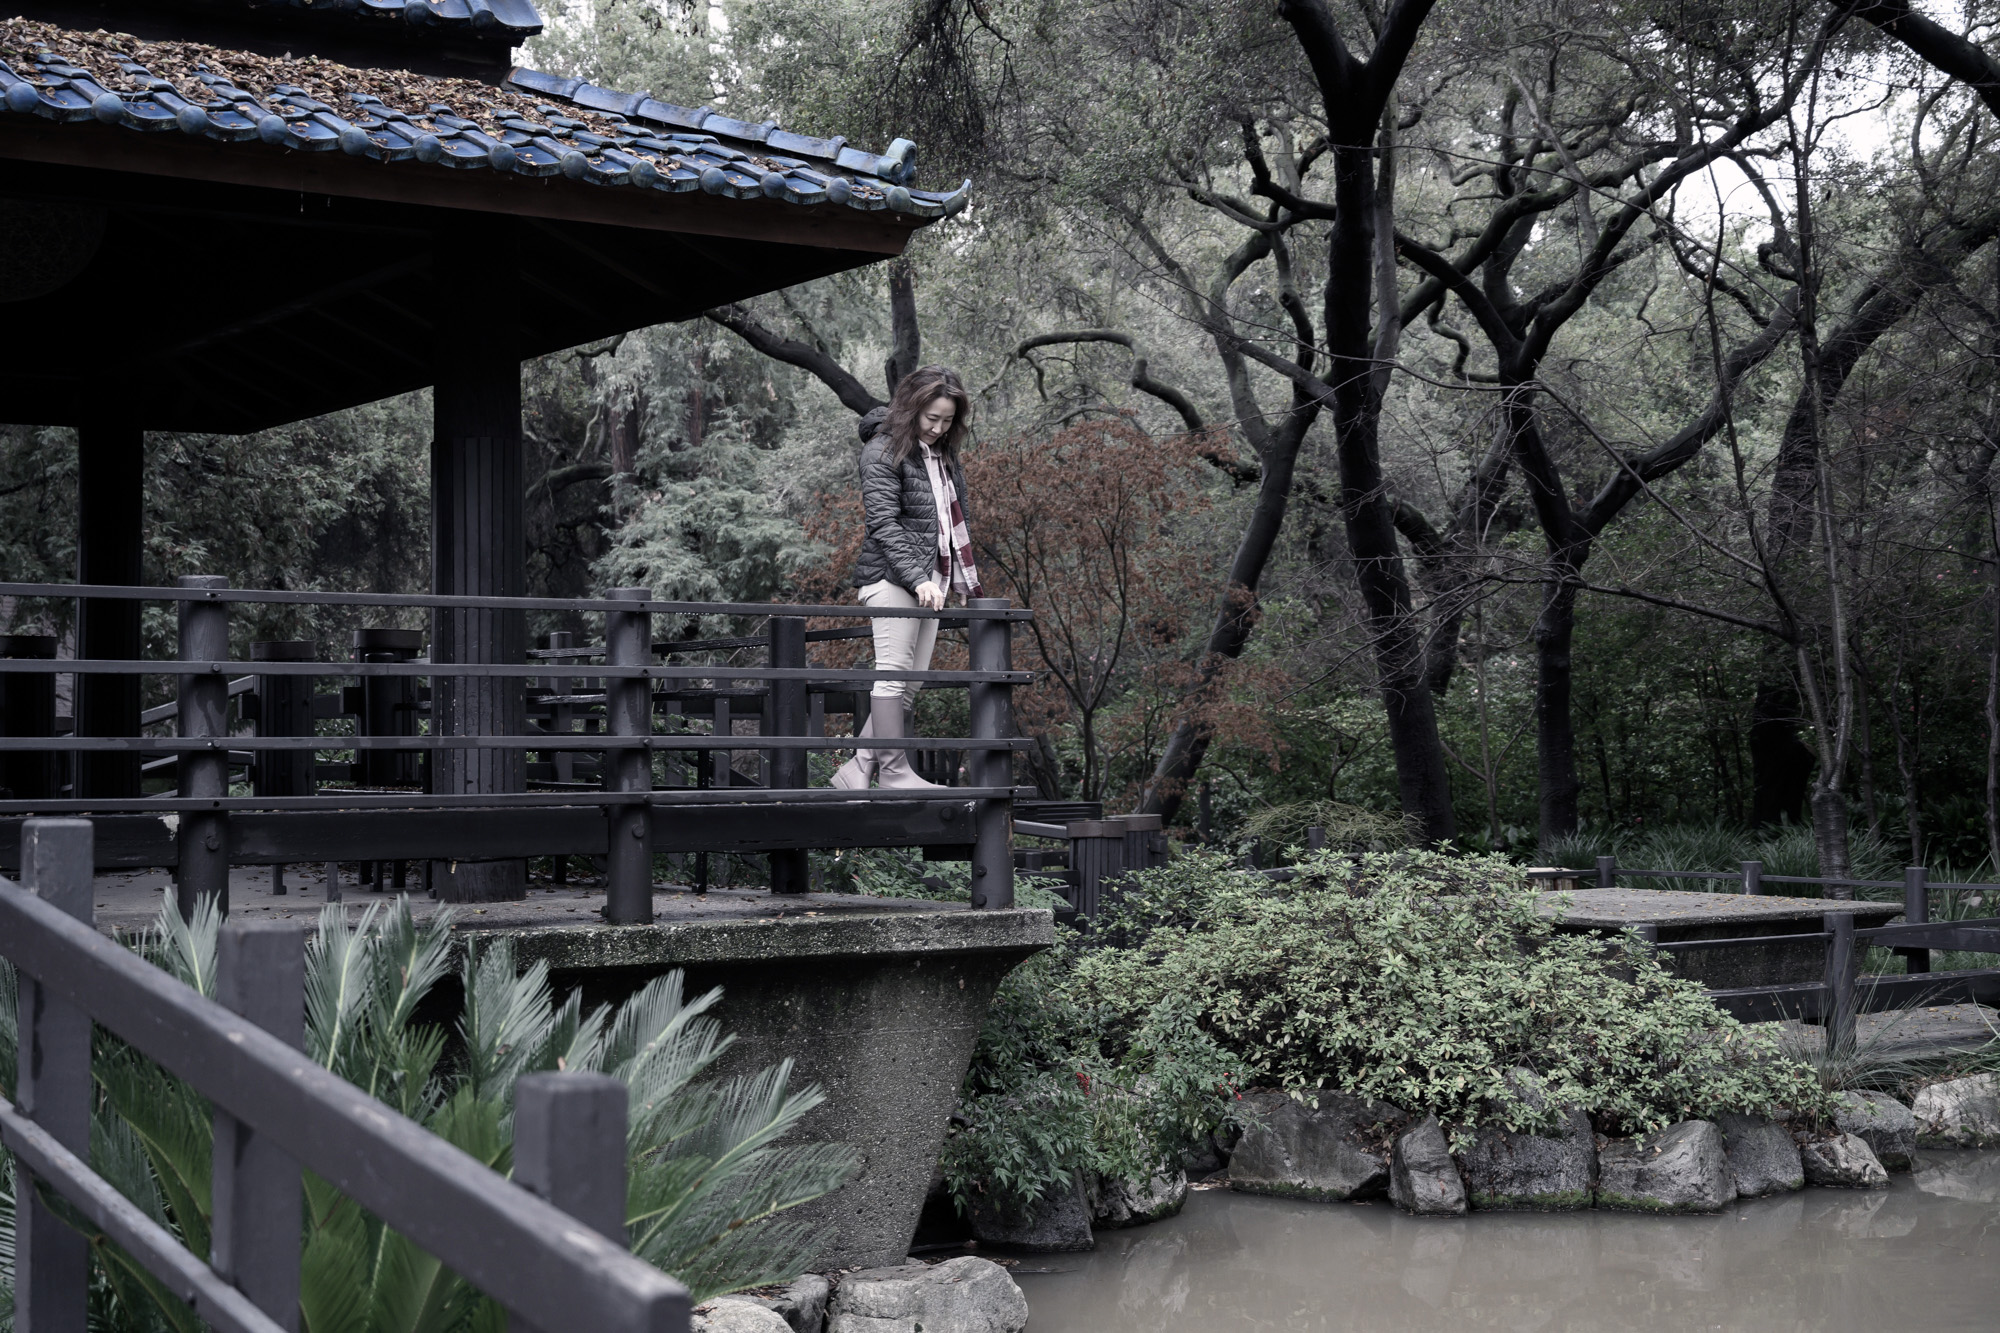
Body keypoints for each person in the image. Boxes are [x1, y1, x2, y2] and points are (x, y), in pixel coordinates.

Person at [832, 365, 982, 790]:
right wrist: (917, 579)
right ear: (911, 408)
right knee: (893, 673)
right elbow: (883, 524)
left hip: (931, 580)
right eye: (931, 418)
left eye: (947, 420)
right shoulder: (882, 449)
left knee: (910, 684)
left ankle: (858, 768)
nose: (938, 428)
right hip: (891, 579)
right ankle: (894, 773)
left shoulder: (943, 456)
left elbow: (952, 521)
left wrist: (953, 578)